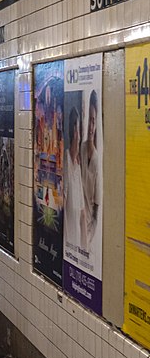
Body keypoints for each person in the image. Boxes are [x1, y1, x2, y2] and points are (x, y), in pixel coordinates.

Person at [81, 90, 101, 249]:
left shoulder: (96, 161)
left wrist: (89, 239)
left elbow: (96, 212)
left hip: (88, 234)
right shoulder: (79, 150)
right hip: (76, 226)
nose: (91, 126)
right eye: (89, 119)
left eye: (94, 121)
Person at [64, 106, 86, 251]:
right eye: (76, 128)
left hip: (77, 241)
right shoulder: (66, 160)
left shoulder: (78, 165)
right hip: (69, 238)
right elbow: (64, 203)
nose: (78, 134)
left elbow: (82, 211)